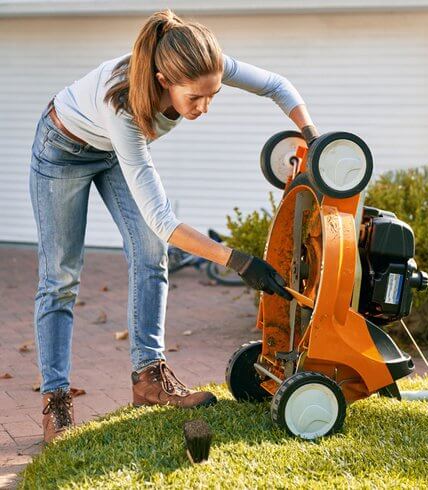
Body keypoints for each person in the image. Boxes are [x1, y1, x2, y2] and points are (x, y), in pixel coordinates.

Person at [30, 9, 315, 444]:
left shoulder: (200, 63)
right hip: (63, 149)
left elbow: (277, 85)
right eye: (196, 99)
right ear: (164, 80)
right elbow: (164, 221)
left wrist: (314, 139)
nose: (205, 107)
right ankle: (56, 401)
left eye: (213, 94)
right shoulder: (122, 104)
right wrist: (238, 261)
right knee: (61, 278)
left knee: (150, 255)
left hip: (110, 153)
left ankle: (149, 380)